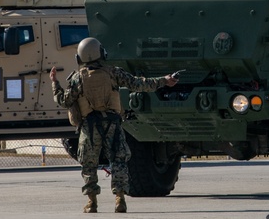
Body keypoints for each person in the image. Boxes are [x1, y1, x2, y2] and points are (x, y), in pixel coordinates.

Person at [50, 37, 179, 213]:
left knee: (89, 164)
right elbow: (139, 84)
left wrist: (55, 83)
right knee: (119, 161)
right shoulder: (113, 73)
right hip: (113, 124)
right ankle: (120, 199)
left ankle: (92, 202)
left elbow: (64, 101)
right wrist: (164, 80)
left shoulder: (77, 79)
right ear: (100, 52)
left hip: (89, 127)